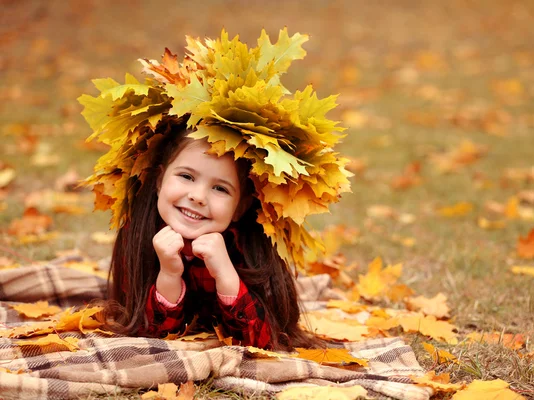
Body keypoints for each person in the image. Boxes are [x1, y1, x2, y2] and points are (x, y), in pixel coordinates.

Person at [79, 29, 351, 350]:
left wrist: (225, 275)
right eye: (187, 177)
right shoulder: (138, 235)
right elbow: (144, 334)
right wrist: (168, 273)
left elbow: (266, 342)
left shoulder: (252, 250)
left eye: (220, 188)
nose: (198, 196)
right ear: (159, 179)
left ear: (241, 204)